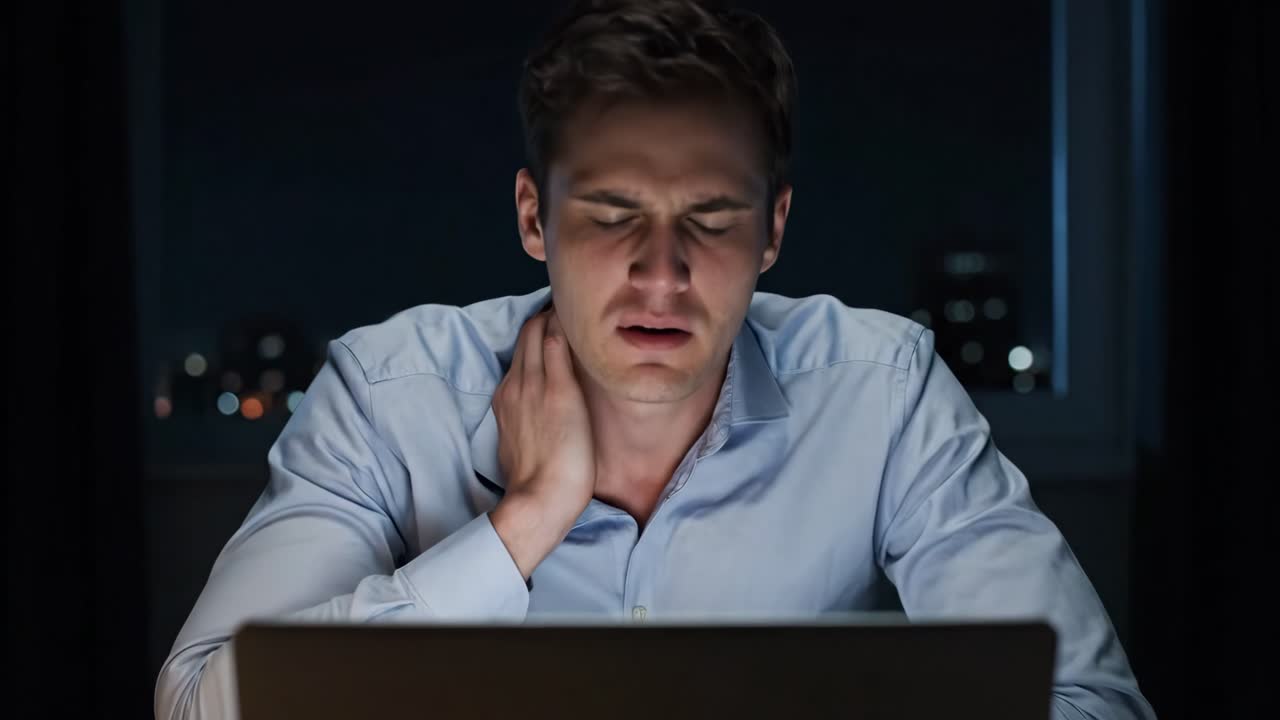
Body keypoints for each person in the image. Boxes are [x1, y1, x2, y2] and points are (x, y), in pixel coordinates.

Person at [156, 1, 1155, 718]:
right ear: (532, 217)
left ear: (772, 231)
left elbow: (1085, 701)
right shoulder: (387, 392)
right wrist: (521, 524)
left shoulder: (881, 390)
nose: (660, 273)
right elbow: (202, 702)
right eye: (612, 215)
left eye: (710, 220)